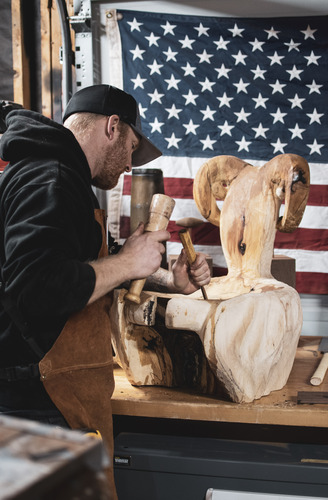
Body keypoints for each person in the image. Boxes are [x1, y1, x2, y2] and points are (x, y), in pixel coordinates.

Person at [0, 84, 211, 427]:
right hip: (34, 403)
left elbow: (92, 267)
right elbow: (37, 287)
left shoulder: (66, 179)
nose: (129, 165)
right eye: (131, 148)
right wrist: (128, 261)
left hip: (52, 394)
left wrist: (168, 280)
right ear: (112, 127)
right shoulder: (49, 179)